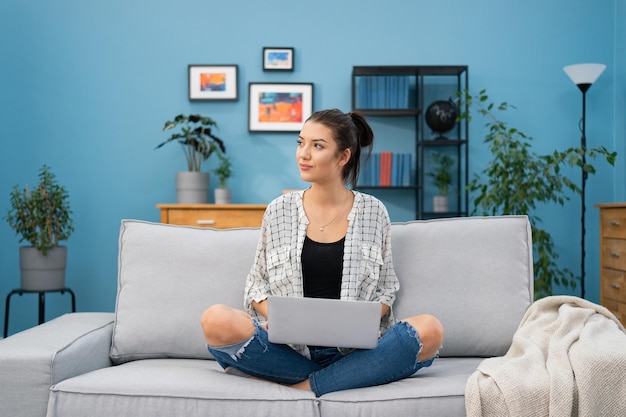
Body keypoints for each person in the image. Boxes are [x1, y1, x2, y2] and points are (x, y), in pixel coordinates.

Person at [200, 108, 444, 397]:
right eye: (301, 143)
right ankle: (345, 379)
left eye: (317, 146)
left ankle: (303, 386)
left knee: (430, 329)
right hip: (286, 350)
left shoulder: (374, 212)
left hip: (353, 351)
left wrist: (363, 322)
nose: (303, 154)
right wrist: (280, 318)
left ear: (343, 157)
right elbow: (256, 285)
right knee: (215, 319)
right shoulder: (279, 211)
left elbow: (386, 289)